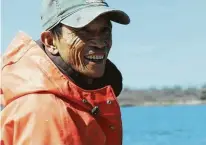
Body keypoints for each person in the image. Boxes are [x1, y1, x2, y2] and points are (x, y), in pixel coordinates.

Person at [0, 0, 130, 144]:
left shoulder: (73, 100)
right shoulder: (47, 110)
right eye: (83, 31)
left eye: (105, 30)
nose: (100, 43)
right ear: (50, 41)